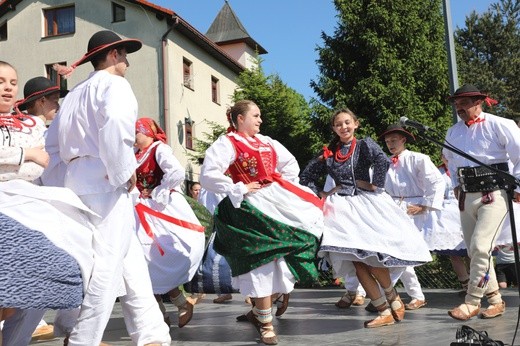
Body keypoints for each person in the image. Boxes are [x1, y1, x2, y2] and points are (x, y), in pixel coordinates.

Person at [55, 30, 170, 345]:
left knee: (129, 258)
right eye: (124, 54)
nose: (128, 62)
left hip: (77, 180)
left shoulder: (76, 93)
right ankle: (82, 338)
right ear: (113, 55)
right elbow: (117, 128)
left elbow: (53, 145)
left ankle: (151, 333)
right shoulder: (115, 85)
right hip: (105, 179)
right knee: (105, 265)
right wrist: (124, 171)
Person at [200, 100, 325, 345]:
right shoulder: (228, 143)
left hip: (273, 200)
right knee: (261, 263)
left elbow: (290, 164)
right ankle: (266, 323)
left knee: (303, 240)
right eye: (255, 116)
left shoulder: (268, 142)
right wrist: (237, 187)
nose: (260, 120)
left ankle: (264, 307)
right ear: (239, 119)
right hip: (248, 207)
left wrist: (280, 185)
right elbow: (208, 175)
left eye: (260, 116)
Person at [300, 108, 432, 328]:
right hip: (342, 209)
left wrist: (375, 185)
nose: (343, 127)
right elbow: (306, 176)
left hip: (366, 205)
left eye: (347, 122)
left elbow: (382, 161)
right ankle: (384, 308)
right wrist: (322, 193)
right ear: (334, 128)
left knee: (371, 257)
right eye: (339, 124)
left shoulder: (364, 144)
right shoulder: (329, 153)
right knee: (357, 260)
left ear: (356, 124)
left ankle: (392, 297)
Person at [0, 63, 94, 346]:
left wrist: (18, 160)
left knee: (62, 255)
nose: (7, 87)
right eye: (0, 80)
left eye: (12, 82)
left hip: (28, 201)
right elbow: (32, 159)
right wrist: (25, 153)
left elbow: (39, 166)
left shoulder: (31, 124)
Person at [443, 84, 520, 321]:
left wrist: (518, 186)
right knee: (475, 251)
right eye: (457, 104)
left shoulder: (500, 124)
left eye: (464, 103)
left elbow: (519, 154)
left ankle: (472, 301)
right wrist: (456, 185)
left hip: (494, 193)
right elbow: (452, 161)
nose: (459, 108)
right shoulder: (452, 132)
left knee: (480, 246)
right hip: (467, 195)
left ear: (478, 102)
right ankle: (495, 299)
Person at [134, 117, 205, 328]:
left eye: (135, 132)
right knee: (141, 262)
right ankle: (160, 313)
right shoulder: (135, 155)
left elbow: (176, 172)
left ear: (147, 132)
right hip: (139, 212)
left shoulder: (159, 149)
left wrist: (157, 191)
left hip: (161, 210)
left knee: (159, 259)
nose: (132, 137)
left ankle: (181, 304)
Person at [380, 124, 446, 310]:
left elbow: (436, 181)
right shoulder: (385, 162)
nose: (390, 144)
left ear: (403, 140)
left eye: (393, 140)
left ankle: (385, 291)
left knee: (404, 251)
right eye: (387, 141)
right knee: (399, 253)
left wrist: (425, 205)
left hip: (413, 207)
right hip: (392, 208)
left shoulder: (418, 158)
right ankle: (416, 295)